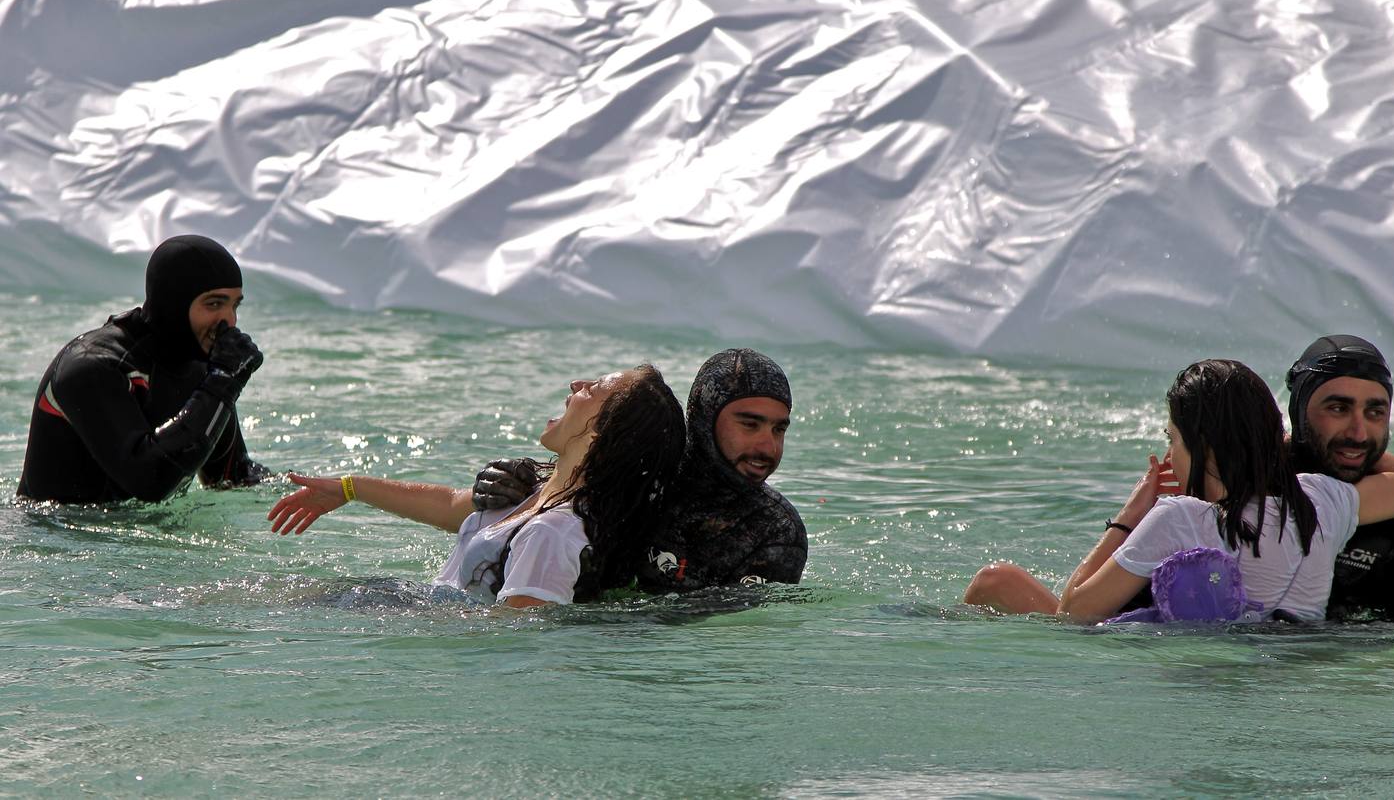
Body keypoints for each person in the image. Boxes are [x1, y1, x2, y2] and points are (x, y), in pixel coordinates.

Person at [962, 359, 1394, 624]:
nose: (1168, 456)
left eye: (1172, 439)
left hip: (1189, 677)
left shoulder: (1177, 518)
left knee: (995, 581)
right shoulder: (1324, 500)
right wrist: (1288, 441)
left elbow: (1075, 612)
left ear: (1204, 446)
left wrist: (1128, 518)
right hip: (1291, 663)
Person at [267, 365, 685, 607]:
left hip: (416, 620)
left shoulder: (552, 534)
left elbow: (516, 635)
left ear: (600, 433)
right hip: (404, 604)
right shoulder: (534, 493)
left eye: (591, 390)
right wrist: (349, 488)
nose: (576, 385)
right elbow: (451, 505)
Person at [474, 348, 809, 592]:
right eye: (750, 425)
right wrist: (513, 481)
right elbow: (567, 483)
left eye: (779, 429)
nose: (768, 447)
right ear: (706, 419)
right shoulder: (646, 474)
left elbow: (727, 633)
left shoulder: (775, 531)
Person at [17, 235, 268, 504]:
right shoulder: (93, 366)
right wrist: (223, 382)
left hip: (132, 537)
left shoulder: (201, 369)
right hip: (57, 537)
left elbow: (233, 477)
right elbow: (150, 481)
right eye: (214, 304)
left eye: (234, 305)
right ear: (175, 304)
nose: (229, 321)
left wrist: (312, 491)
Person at [1286, 334, 1394, 620]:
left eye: (1375, 412)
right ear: (1300, 413)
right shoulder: (1244, 491)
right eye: (1339, 409)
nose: (1358, 434)